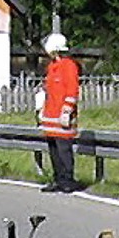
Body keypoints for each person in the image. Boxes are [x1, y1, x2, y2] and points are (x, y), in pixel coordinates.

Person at [39, 33, 82, 193]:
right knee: (54, 150)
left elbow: (72, 90)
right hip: (51, 117)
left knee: (64, 150)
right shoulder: (52, 67)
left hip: (62, 117)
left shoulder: (68, 65)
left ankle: (67, 180)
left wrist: (67, 111)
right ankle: (58, 179)